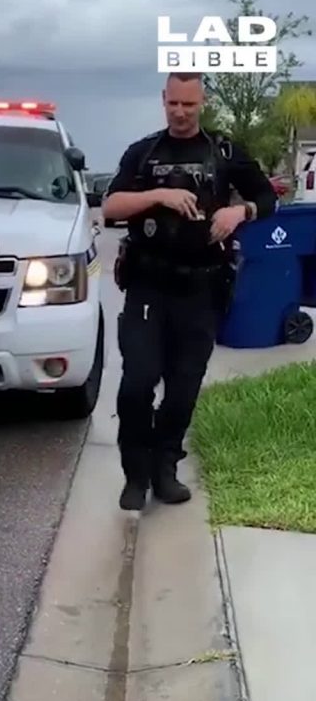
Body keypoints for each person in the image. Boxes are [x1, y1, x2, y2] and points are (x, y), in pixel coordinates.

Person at [102, 71, 277, 512]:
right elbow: (111, 206)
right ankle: (135, 474)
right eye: (174, 104)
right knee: (138, 382)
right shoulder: (144, 153)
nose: (180, 113)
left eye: (189, 105)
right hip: (148, 286)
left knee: (183, 388)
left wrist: (239, 212)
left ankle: (165, 468)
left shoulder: (224, 151)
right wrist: (159, 195)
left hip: (201, 288)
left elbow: (266, 197)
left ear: (203, 103)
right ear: (164, 100)